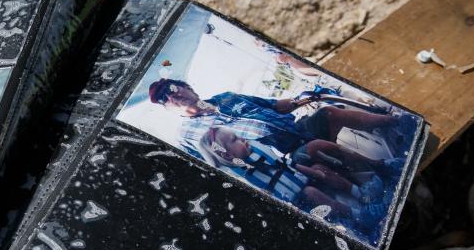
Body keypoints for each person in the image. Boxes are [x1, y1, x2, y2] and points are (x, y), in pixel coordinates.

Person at [193, 126, 388, 229]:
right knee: (311, 192)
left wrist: (313, 172)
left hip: (300, 179)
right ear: (227, 155)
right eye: (235, 140)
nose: (242, 139)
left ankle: (361, 194)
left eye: (238, 135)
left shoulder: (257, 151)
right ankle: (358, 215)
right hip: (298, 200)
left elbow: (288, 165)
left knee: (321, 168)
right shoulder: (243, 176)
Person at [149, 78, 405, 152]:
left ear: (186, 86)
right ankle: (379, 171)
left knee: (328, 112)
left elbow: (274, 105)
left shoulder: (227, 95)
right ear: (168, 108)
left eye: (171, 88)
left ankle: (395, 122)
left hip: (300, 128)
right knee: (317, 151)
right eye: (163, 99)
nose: (171, 96)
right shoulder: (188, 135)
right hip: (286, 154)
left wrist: (305, 98)